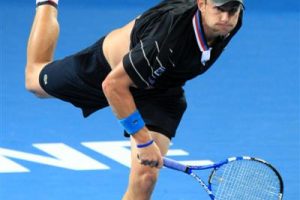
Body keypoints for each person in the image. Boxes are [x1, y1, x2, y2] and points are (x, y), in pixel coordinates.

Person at [25, 0, 244, 199]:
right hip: (107, 71)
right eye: (219, 9)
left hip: (161, 89)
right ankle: (47, 2)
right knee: (34, 81)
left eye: (232, 10)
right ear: (202, 4)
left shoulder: (229, 23)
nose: (225, 18)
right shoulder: (166, 40)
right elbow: (113, 85)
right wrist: (144, 141)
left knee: (146, 177)